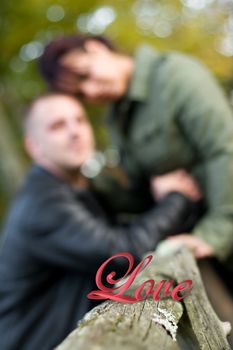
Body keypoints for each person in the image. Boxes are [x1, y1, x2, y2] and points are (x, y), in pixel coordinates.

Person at [0, 93, 202, 350]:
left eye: (80, 120)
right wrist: (177, 197)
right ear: (33, 146)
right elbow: (121, 253)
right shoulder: (42, 205)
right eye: (58, 126)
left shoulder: (73, 188)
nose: (75, 131)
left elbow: (114, 235)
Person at [39, 35, 233, 263]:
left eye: (85, 75)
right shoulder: (116, 118)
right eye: (81, 93)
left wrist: (215, 233)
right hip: (200, 240)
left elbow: (223, 149)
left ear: (96, 48)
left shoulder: (174, 75)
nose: (91, 92)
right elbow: (138, 190)